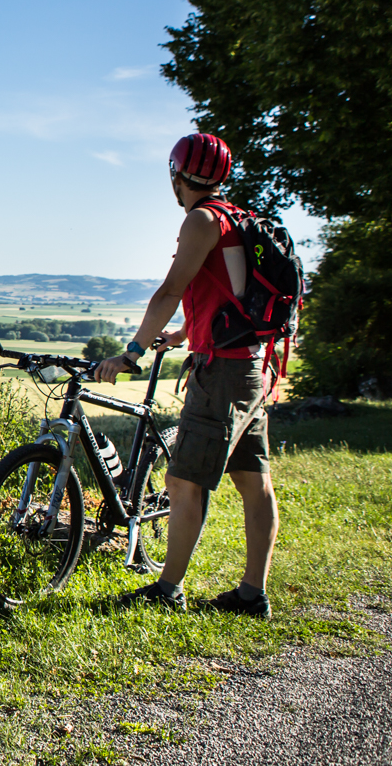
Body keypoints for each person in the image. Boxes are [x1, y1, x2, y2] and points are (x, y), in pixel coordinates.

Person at [91, 132, 278, 618]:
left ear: (177, 175)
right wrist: (182, 335)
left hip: (221, 376)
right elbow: (229, 298)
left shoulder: (201, 220)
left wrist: (130, 353)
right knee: (254, 481)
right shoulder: (238, 218)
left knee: (182, 482)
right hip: (251, 367)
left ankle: (168, 588)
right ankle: (251, 594)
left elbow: (170, 290)